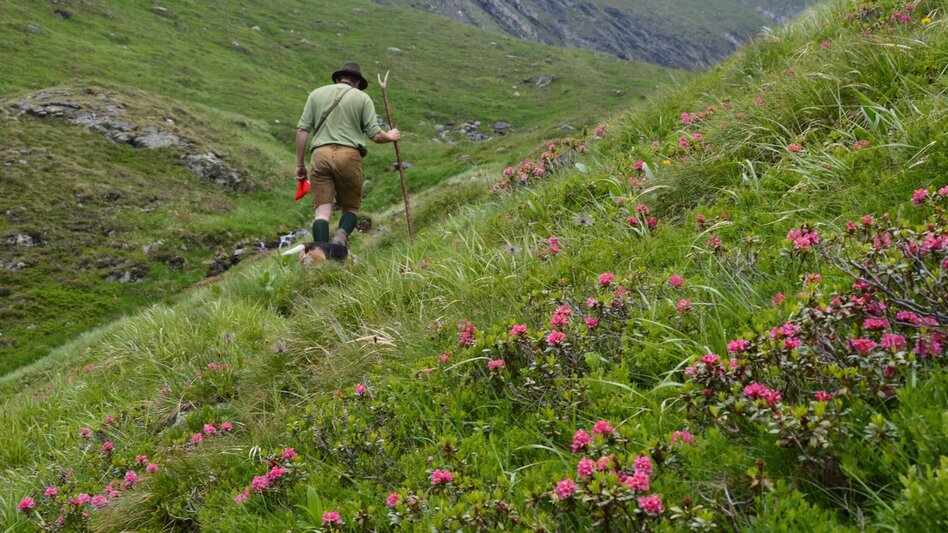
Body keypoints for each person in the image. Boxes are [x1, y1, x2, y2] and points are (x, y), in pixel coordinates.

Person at [295, 62, 400, 252]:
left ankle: (321, 253)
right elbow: (376, 135)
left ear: (338, 79)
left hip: (320, 155)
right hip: (349, 156)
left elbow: (302, 130)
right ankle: (340, 239)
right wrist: (391, 136)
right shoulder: (362, 98)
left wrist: (299, 165)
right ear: (357, 82)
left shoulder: (316, 94)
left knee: (322, 212)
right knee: (351, 208)